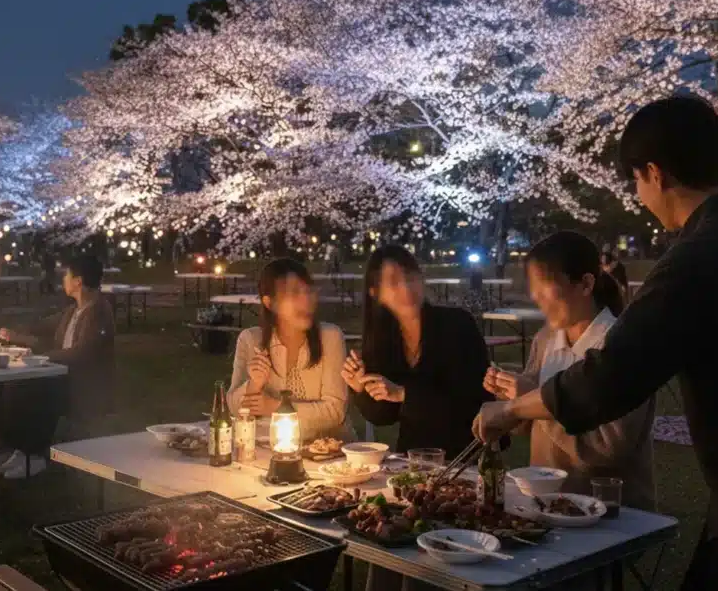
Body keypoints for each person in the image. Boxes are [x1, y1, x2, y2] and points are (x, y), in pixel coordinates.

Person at [472, 96, 718, 590]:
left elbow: (609, 376)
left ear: (655, 173)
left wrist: (513, 410)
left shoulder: (695, 259)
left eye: (635, 179)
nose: (637, 193)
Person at [343, 245, 492, 591]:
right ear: (375, 292)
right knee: (389, 545)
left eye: (411, 276)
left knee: (430, 565)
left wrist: (405, 393)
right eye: (394, 282)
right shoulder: (382, 340)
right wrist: (360, 388)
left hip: (465, 460)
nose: (406, 288)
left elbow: (475, 402)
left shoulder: (456, 326)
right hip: (413, 468)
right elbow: (383, 417)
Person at [484, 232, 655, 510]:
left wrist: (538, 401)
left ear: (586, 283)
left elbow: (607, 448)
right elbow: (530, 428)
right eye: (533, 288)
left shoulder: (620, 347)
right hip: (547, 503)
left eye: (545, 286)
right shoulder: (546, 339)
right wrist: (511, 399)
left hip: (607, 510)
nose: (536, 297)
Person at [0, 255, 115, 479]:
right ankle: (13, 444)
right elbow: (43, 326)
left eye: (67, 275)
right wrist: (16, 334)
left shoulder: (99, 312)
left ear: (78, 281)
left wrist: (45, 358)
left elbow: (83, 352)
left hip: (82, 384)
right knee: (10, 381)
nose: (63, 279)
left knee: (31, 387)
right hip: (61, 374)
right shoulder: (73, 310)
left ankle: (34, 454)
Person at [226, 258, 354, 441]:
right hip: (268, 450)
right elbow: (233, 408)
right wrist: (254, 384)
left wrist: (275, 407)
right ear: (269, 303)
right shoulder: (250, 339)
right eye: (294, 293)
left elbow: (334, 412)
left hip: (329, 454)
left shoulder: (330, 336)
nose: (306, 300)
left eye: (308, 291)